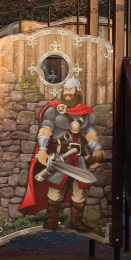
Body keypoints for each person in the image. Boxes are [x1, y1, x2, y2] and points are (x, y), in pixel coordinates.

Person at [19, 78, 104, 231]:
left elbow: (90, 133)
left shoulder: (87, 113)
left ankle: (77, 222)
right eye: (65, 89)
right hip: (60, 156)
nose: (67, 92)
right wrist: (42, 150)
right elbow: (45, 130)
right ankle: (52, 220)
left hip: (79, 157)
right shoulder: (54, 110)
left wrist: (96, 150)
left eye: (71, 89)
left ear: (77, 91)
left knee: (80, 190)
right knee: (55, 188)